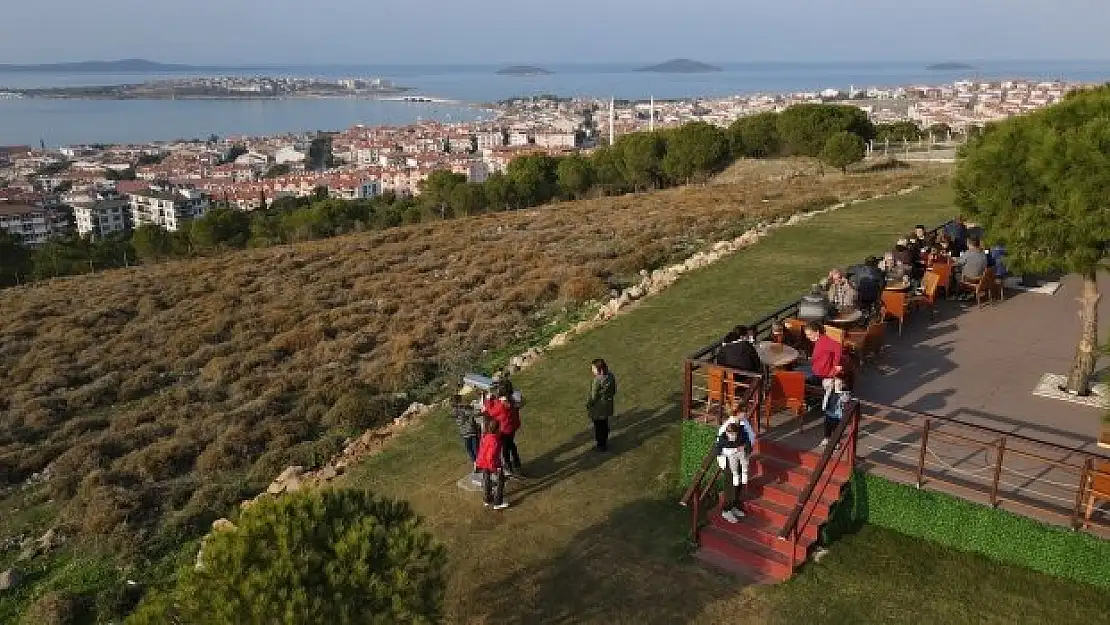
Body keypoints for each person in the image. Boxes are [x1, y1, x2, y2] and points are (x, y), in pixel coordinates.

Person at [714, 420, 754, 523]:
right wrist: (734, 449)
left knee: (738, 483)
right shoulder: (725, 427)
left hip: (740, 459)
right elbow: (719, 447)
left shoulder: (743, 426)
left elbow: (748, 440)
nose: (744, 415)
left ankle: (733, 506)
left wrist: (745, 447)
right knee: (730, 486)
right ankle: (726, 510)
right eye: (741, 413)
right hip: (729, 462)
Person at [483, 389, 522, 476]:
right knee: (511, 444)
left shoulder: (501, 406)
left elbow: (491, 412)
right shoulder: (512, 401)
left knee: (505, 448)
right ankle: (517, 463)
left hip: (504, 430)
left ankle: (508, 466)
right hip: (513, 427)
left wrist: (488, 400)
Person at [475, 418, 509, 510]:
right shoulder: (495, 441)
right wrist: (495, 468)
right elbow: (491, 456)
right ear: (497, 429)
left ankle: (487, 499)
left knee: (486, 479)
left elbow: (482, 449)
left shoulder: (485, 436)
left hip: (482, 461)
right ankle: (498, 502)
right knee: (500, 480)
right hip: (491, 463)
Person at [586, 358, 617, 451]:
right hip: (607, 405)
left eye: (594, 368)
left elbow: (593, 396)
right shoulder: (610, 376)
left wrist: (588, 404)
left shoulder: (597, 381)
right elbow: (614, 390)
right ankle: (604, 441)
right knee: (604, 423)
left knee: (598, 426)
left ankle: (601, 445)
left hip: (598, 407)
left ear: (599, 369)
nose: (592, 370)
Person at [820, 376, 851, 449]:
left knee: (836, 429)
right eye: (837, 382)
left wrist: (841, 390)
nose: (838, 384)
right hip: (828, 412)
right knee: (827, 427)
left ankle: (836, 442)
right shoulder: (829, 387)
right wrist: (832, 382)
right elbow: (824, 383)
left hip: (837, 414)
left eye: (840, 383)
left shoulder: (844, 391)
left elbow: (846, 400)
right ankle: (826, 438)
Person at [451, 392, 480, 467]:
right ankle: (478, 462)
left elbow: (460, 421)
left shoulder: (457, 410)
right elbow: (473, 413)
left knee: (470, 449)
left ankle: (477, 463)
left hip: (467, 432)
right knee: (474, 448)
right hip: (470, 431)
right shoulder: (462, 408)